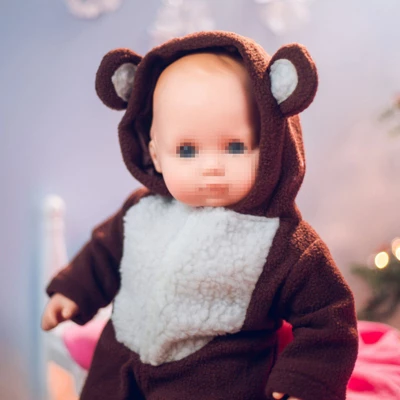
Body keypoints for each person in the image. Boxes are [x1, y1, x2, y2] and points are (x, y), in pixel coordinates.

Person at [42, 30, 358, 400]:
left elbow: (328, 316)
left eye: (235, 147)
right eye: (188, 151)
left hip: (214, 382)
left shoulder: (284, 242)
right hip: (117, 367)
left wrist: (305, 380)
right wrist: (73, 291)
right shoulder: (142, 211)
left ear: (272, 146)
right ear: (157, 155)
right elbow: (103, 255)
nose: (211, 167)